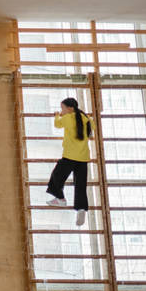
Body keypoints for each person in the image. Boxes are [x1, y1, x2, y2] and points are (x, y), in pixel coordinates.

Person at [46, 97, 94, 226]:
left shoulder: (67, 118)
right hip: (83, 157)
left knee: (56, 176)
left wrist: (57, 115)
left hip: (69, 156)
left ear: (70, 108)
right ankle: (81, 208)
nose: (62, 111)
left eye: (63, 108)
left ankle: (60, 198)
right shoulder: (86, 118)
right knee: (80, 184)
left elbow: (57, 125)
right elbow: (91, 129)